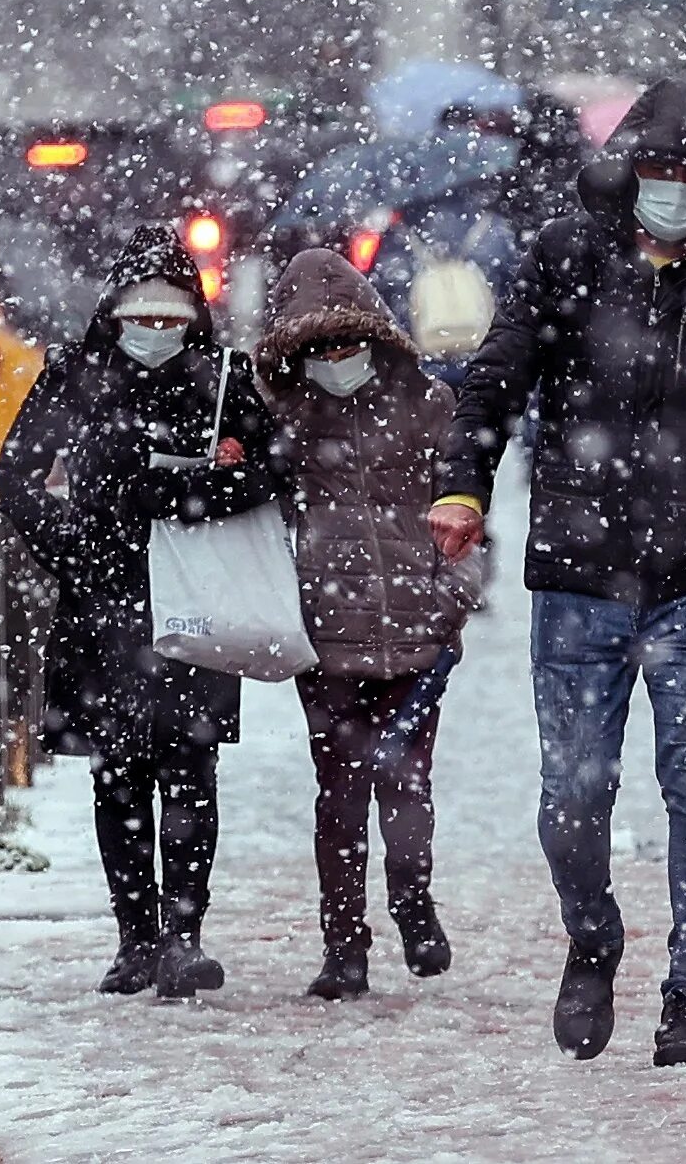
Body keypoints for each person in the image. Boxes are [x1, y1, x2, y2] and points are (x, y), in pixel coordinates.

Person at [429, 79, 686, 1068]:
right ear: (630, 168)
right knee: (571, 799)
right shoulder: (564, 261)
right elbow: (495, 379)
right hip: (575, 576)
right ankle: (592, 938)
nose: (676, 190)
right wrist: (463, 490)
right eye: (663, 170)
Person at [0, 223, 278, 1000]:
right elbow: (15, 471)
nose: (154, 333)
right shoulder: (75, 377)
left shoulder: (222, 379)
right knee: (116, 774)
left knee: (191, 769)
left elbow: (272, 469)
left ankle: (184, 937)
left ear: (194, 318)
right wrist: (70, 541)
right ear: (112, 314)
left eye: (170, 319)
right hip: (100, 603)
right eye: (139, 318)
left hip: (197, 600)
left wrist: (189, 493)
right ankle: (134, 938)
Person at [251, 248, 482, 1000]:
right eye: (317, 348)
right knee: (339, 792)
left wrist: (451, 600)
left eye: (347, 343)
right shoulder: (278, 417)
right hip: (325, 636)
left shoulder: (427, 401)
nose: (335, 359)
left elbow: (468, 507)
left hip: (417, 628)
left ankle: (413, 902)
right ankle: (343, 942)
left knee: (406, 783)